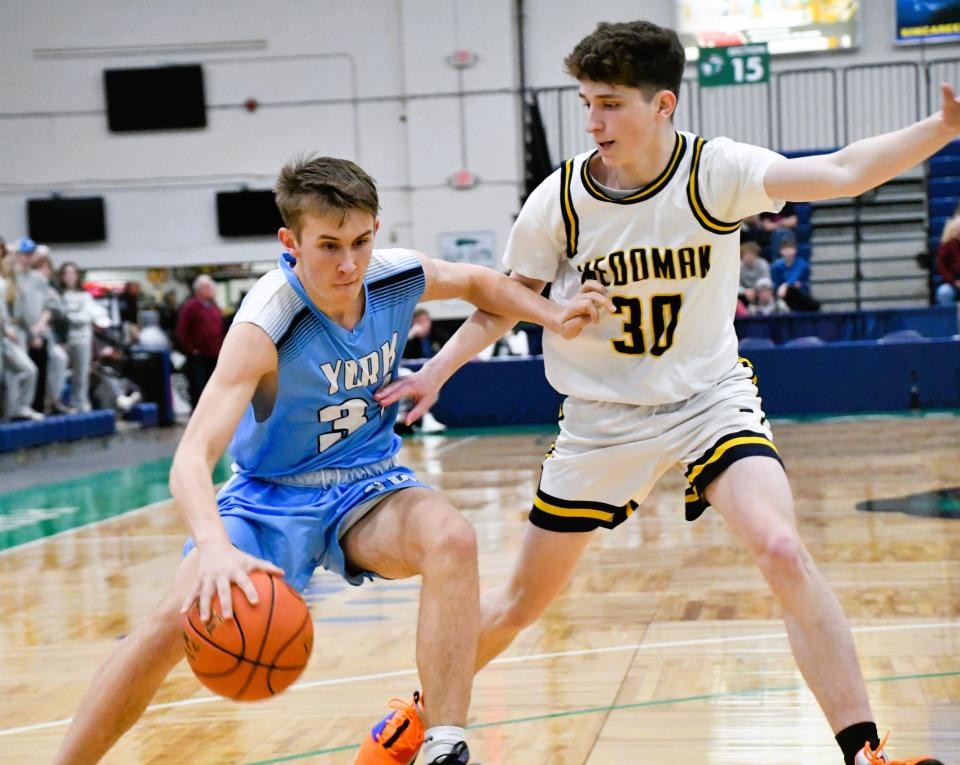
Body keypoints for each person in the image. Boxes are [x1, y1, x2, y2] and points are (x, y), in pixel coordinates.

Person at [369, 20, 951, 765]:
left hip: (708, 400)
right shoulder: (563, 200)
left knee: (779, 545)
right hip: (601, 421)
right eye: (587, 102)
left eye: (609, 103)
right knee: (520, 603)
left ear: (663, 105)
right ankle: (419, 717)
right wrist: (435, 371)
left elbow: (840, 172)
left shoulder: (715, 172)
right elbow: (502, 303)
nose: (592, 121)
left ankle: (864, 752)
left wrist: (941, 127)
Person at [53, 155, 606, 765]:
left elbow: (482, 284)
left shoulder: (393, 277)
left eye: (361, 241)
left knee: (453, 539)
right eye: (329, 246)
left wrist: (553, 314)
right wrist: (211, 545)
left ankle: (443, 742)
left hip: (368, 487)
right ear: (290, 242)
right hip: (271, 496)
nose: (348, 263)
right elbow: (190, 458)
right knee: (169, 624)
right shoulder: (268, 322)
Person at [58, 262, 109, 411]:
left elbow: (85, 317)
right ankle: (61, 403)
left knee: (81, 374)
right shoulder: (60, 294)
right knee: (62, 373)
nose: (70, 277)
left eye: (72, 273)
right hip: (65, 340)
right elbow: (60, 317)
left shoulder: (85, 295)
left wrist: (69, 315)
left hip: (82, 339)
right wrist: (71, 316)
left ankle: (80, 403)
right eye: (66, 273)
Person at [0, 247, 41, 420]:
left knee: (29, 370)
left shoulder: (10, 281)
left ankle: (19, 408)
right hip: (5, 334)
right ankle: (9, 412)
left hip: (8, 337)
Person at [175, 274, 225, 409]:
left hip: (214, 355)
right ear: (199, 290)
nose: (212, 290)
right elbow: (181, 331)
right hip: (198, 357)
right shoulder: (191, 307)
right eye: (208, 288)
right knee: (199, 389)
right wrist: (191, 349)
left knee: (213, 388)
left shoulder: (214, 307)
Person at [770, 232, 820, 312]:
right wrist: (785, 287)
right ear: (780, 251)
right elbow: (776, 285)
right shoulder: (775, 266)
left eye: (790, 248)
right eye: (785, 248)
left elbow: (797, 277)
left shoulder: (802, 264)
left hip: (800, 295)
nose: (788, 251)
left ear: (795, 250)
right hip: (783, 296)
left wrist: (785, 285)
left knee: (794, 291)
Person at [934, 205, 960, 304]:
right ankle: (949, 318)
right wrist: (954, 282)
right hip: (953, 283)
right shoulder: (948, 246)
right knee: (944, 292)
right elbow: (941, 266)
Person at [738, 240, 771, 306]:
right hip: (744, 294)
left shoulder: (763, 263)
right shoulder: (738, 266)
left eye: (750, 254)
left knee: (766, 292)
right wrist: (746, 291)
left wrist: (755, 290)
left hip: (760, 291)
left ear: (756, 255)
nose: (748, 256)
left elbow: (766, 281)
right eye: (745, 254)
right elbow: (736, 286)